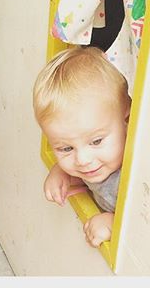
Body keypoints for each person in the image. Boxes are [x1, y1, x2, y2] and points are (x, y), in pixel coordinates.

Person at [32, 46, 131, 247]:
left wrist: (115, 223)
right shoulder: (99, 159)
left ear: (127, 118)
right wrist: (62, 170)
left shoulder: (135, 175)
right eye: (66, 148)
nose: (83, 160)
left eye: (96, 142)